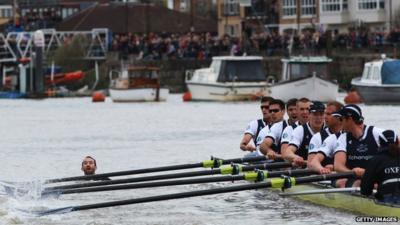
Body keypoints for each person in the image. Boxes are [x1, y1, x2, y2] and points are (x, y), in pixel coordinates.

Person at [333, 104, 385, 188]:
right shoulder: (343, 138)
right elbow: (338, 166)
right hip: (352, 177)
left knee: (375, 184)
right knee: (347, 182)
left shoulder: (377, 133)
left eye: (341, 119)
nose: (340, 122)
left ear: (349, 119)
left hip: (375, 176)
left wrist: (368, 173)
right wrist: (353, 172)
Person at [361, 130, 400, 204]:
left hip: (388, 198)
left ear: (379, 143)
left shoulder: (375, 160)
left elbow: (365, 189)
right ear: (398, 142)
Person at [282, 101, 325, 166]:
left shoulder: (328, 130)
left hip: (324, 171)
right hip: (303, 171)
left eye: (321, 114)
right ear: (309, 115)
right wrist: (296, 157)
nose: (318, 118)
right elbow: (287, 153)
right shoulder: (300, 130)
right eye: (315, 114)